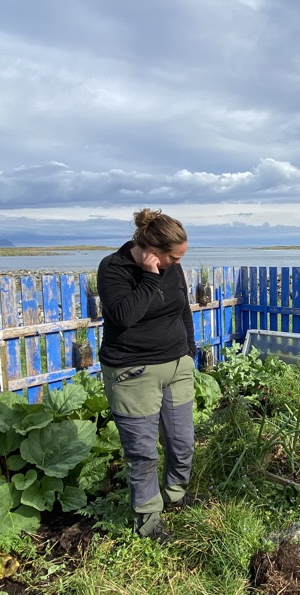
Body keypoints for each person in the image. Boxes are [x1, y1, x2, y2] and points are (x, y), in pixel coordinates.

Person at [97, 208, 198, 541]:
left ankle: (176, 496)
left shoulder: (173, 268)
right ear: (153, 251)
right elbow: (124, 316)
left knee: (182, 442)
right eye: (173, 257)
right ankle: (149, 520)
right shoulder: (113, 268)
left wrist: (189, 351)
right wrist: (150, 277)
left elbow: (182, 307)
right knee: (142, 453)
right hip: (132, 372)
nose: (177, 263)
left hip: (176, 368)